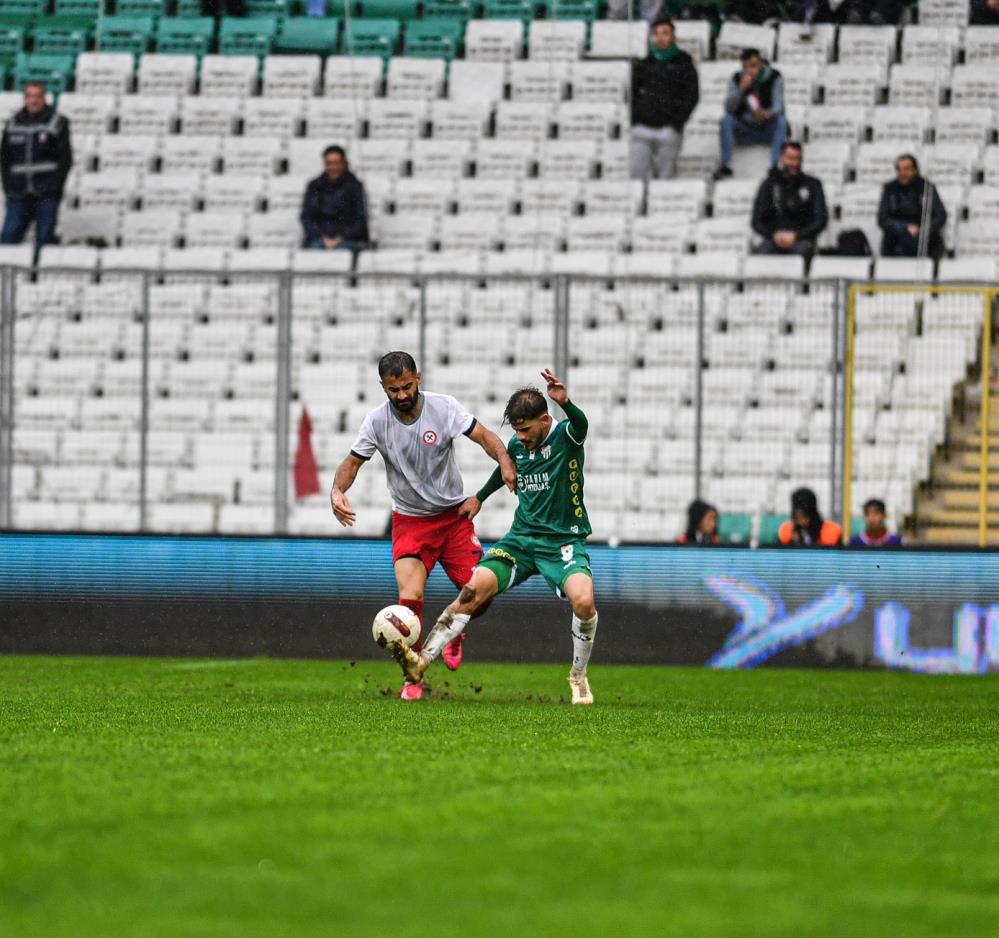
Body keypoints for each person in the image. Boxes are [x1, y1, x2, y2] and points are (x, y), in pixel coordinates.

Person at [390, 370, 600, 706]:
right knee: (471, 591)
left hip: (563, 542)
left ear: (545, 420)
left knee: (584, 602)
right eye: (516, 430)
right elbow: (506, 468)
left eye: (526, 429)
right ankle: (421, 664)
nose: (521, 437)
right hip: (520, 540)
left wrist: (567, 403)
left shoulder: (565, 436)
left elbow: (582, 425)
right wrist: (480, 497)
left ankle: (578, 675)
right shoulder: (519, 444)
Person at [330, 351, 517, 700]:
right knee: (410, 599)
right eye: (392, 389)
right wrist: (337, 490)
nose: (400, 395)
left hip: (453, 518)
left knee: (480, 594)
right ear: (383, 388)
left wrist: (505, 459)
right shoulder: (376, 422)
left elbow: (485, 436)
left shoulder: (444, 408)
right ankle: (412, 679)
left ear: (419, 378)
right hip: (411, 522)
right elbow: (353, 463)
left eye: (405, 386)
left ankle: (453, 629)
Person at [0, 81, 72, 255]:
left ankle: (39, 279)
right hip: (18, 193)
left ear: (44, 98)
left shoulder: (57, 122)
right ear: (25, 99)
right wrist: (8, 187)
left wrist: (56, 187)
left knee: (45, 240)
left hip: (47, 193)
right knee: (8, 237)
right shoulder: (12, 124)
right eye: (30, 96)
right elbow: (4, 159)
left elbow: (65, 159)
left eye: (38, 96)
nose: (34, 101)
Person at [629, 18, 700, 182]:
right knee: (635, 176)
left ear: (673, 36)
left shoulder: (684, 63)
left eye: (665, 33)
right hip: (642, 129)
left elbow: (692, 96)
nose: (661, 37)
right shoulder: (644, 64)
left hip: (669, 130)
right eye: (657, 34)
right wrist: (634, 120)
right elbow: (631, 93)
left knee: (665, 179)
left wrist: (677, 123)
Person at [715, 49, 788, 180]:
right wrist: (740, 90)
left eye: (753, 66)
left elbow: (779, 106)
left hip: (767, 127)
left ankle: (775, 166)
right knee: (726, 120)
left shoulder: (775, 77)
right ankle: (727, 165)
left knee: (781, 122)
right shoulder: (736, 79)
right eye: (746, 67)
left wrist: (768, 113)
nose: (750, 71)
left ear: (761, 64)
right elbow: (729, 108)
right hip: (745, 128)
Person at [750, 141, 827, 260]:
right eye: (791, 158)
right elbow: (756, 221)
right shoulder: (768, 184)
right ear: (782, 158)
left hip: (802, 239)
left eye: (798, 159)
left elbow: (820, 221)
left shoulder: (813, 184)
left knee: (802, 251)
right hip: (773, 238)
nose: (795, 163)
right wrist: (774, 235)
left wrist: (797, 235)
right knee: (761, 254)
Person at [877, 154, 947, 261]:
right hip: (897, 236)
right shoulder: (890, 188)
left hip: (922, 235)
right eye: (899, 169)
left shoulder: (927, 187)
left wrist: (922, 230)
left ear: (915, 170)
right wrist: (905, 228)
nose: (902, 173)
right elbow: (882, 219)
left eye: (906, 169)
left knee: (923, 240)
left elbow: (941, 216)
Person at [300, 145, 368, 251]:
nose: (333, 167)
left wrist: (340, 238)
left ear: (344, 164)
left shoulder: (355, 187)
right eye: (329, 163)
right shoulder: (314, 186)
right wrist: (323, 238)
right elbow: (306, 218)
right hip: (319, 240)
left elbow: (360, 220)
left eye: (336, 163)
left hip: (347, 240)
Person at [778, 487, 842, 547]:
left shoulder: (830, 531)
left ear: (810, 513)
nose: (799, 517)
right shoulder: (788, 531)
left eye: (802, 513)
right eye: (797, 514)